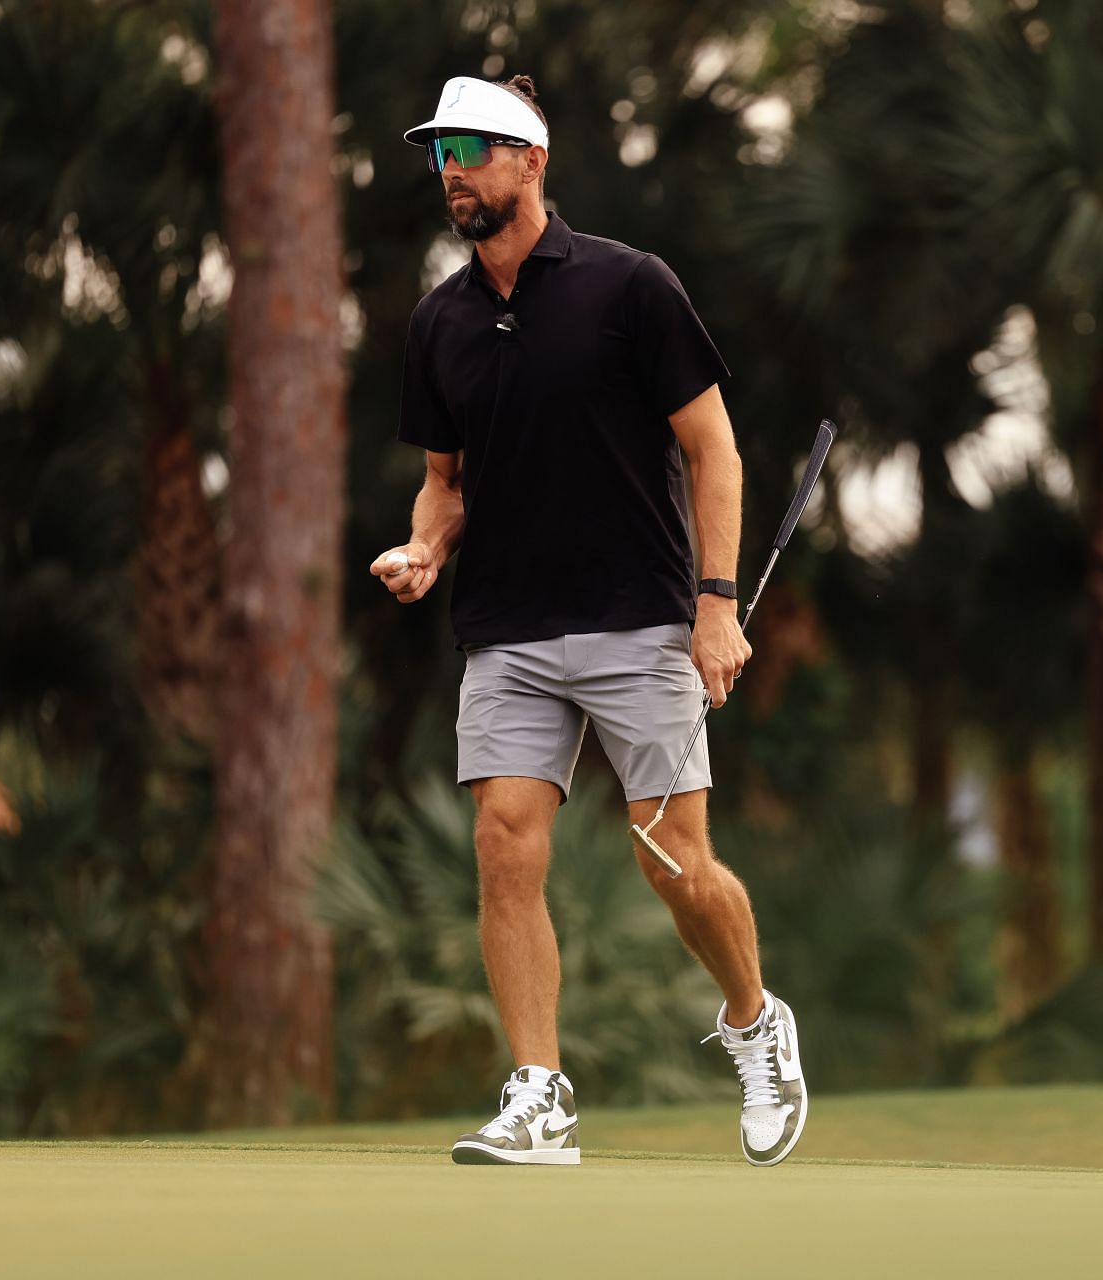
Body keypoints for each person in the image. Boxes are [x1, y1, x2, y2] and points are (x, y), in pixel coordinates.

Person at [371, 74, 806, 1168]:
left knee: (672, 858)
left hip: (639, 616)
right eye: (439, 154)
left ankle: (756, 1022)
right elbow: (445, 479)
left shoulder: (631, 287)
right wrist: (426, 544)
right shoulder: (441, 321)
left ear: (532, 160)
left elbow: (715, 449)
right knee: (502, 843)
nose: (453, 169)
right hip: (508, 627)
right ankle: (541, 1093)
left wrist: (715, 603)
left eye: (472, 147)